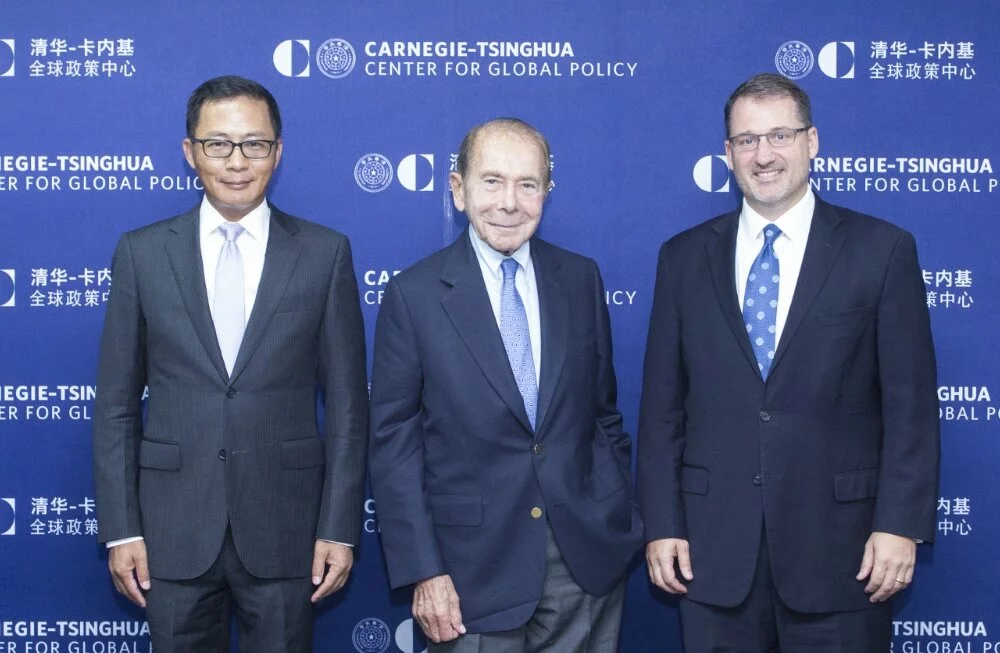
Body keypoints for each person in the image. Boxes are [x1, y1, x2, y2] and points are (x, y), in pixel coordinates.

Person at [638, 73, 939, 652]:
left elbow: (911, 409)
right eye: (747, 140)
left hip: (844, 555)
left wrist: (900, 523)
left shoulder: (881, 250)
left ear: (812, 141)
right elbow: (661, 411)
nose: (764, 155)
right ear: (727, 154)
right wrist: (664, 524)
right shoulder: (682, 258)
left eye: (780, 135)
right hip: (712, 555)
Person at [92, 75, 368, 652]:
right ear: (190, 152)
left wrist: (338, 528)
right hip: (170, 534)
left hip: (288, 531)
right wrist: (122, 528)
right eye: (218, 144)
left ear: (278, 151)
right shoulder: (142, 253)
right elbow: (116, 406)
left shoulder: (325, 253)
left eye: (254, 144)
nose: (237, 161)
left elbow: (347, 406)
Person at [368, 117, 643, 652]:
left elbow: (603, 414)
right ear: (458, 189)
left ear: (547, 191)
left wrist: (615, 510)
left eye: (527, 184)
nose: (509, 202)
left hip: (584, 562)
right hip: (469, 571)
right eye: (492, 181)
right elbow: (394, 447)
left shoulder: (580, 279)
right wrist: (425, 571)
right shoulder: (414, 295)